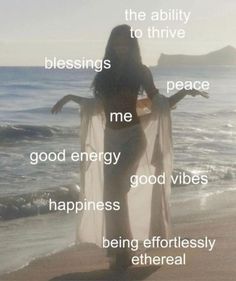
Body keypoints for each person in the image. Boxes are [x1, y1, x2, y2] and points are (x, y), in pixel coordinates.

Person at [51, 24, 208, 271]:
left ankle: (125, 250)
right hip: (111, 140)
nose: (121, 46)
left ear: (132, 44)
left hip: (134, 139)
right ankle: (118, 248)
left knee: (114, 191)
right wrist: (70, 97)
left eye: (125, 42)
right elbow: (98, 105)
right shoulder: (106, 72)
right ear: (111, 45)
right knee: (111, 197)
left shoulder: (140, 71)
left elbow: (159, 102)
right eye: (117, 42)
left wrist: (184, 92)